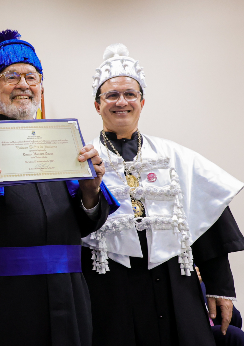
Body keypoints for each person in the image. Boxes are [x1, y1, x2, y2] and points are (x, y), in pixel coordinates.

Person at [0, 30, 118, 346]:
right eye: (11, 76)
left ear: (41, 88)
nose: (23, 85)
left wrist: (90, 191)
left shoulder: (64, 142)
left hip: (67, 295)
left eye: (32, 77)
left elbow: (88, 224)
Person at [82, 43, 244, 346]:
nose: (122, 102)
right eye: (112, 95)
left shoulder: (175, 157)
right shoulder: (83, 159)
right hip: (109, 287)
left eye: (130, 94)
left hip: (173, 283)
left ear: (142, 102)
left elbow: (208, 220)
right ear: (97, 104)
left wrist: (219, 288)